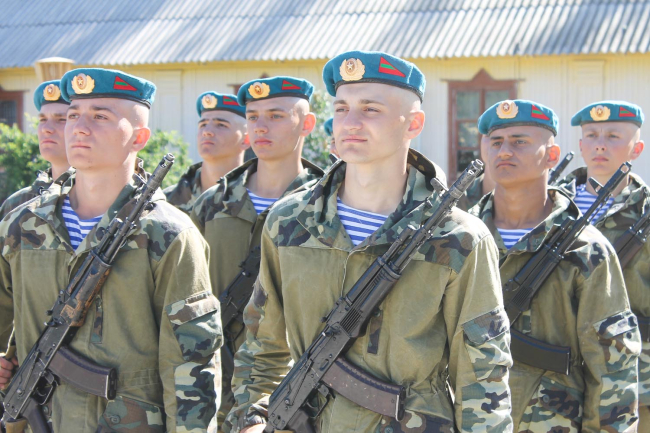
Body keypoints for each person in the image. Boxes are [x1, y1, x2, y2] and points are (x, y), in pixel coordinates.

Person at [226, 51, 513, 433]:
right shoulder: (288, 223)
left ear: (413, 123)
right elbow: (263, 346)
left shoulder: (458, 238)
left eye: (370, 109)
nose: (350, 122)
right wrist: (251, 419)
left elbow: (483, 373)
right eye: (342, 109)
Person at [0, 68, 222, 432]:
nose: (79, 128)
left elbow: (191, 365)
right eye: (74, 115)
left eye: (100, 117)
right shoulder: (21, 226)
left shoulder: (168, 234)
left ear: (139, 137)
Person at [470, 99, 640, 432]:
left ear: (552, 155)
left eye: (519, 142)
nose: (504, 151)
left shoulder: (586, 248)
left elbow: (612, 365)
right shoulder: (456, 239)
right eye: (496, 142)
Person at [191, 76, 324, 430]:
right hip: (213, 383)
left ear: (306, 124)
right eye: (252, 117)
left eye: (276, 116)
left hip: (295, 387)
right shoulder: (211, 204)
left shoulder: (326, 208)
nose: (260, 127)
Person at [558, 100, 649, 429]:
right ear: (581, 146)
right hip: (555, 377)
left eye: (613, 136)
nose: (600, 144)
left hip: (635, 377)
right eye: (592, 135)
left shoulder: (645, 211)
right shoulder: (551, 206)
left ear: (636, 148)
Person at [164, 91, 249, 214]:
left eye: (221, 125)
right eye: (203, 125)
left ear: (246, 140)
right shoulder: (166, 202)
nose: (207, 131)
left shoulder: (259, 199)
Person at [0, 79, 72, 220]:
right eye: (43, 120)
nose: (46, 129)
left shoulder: (105, 200)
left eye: (61, 119)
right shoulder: (17, 205)